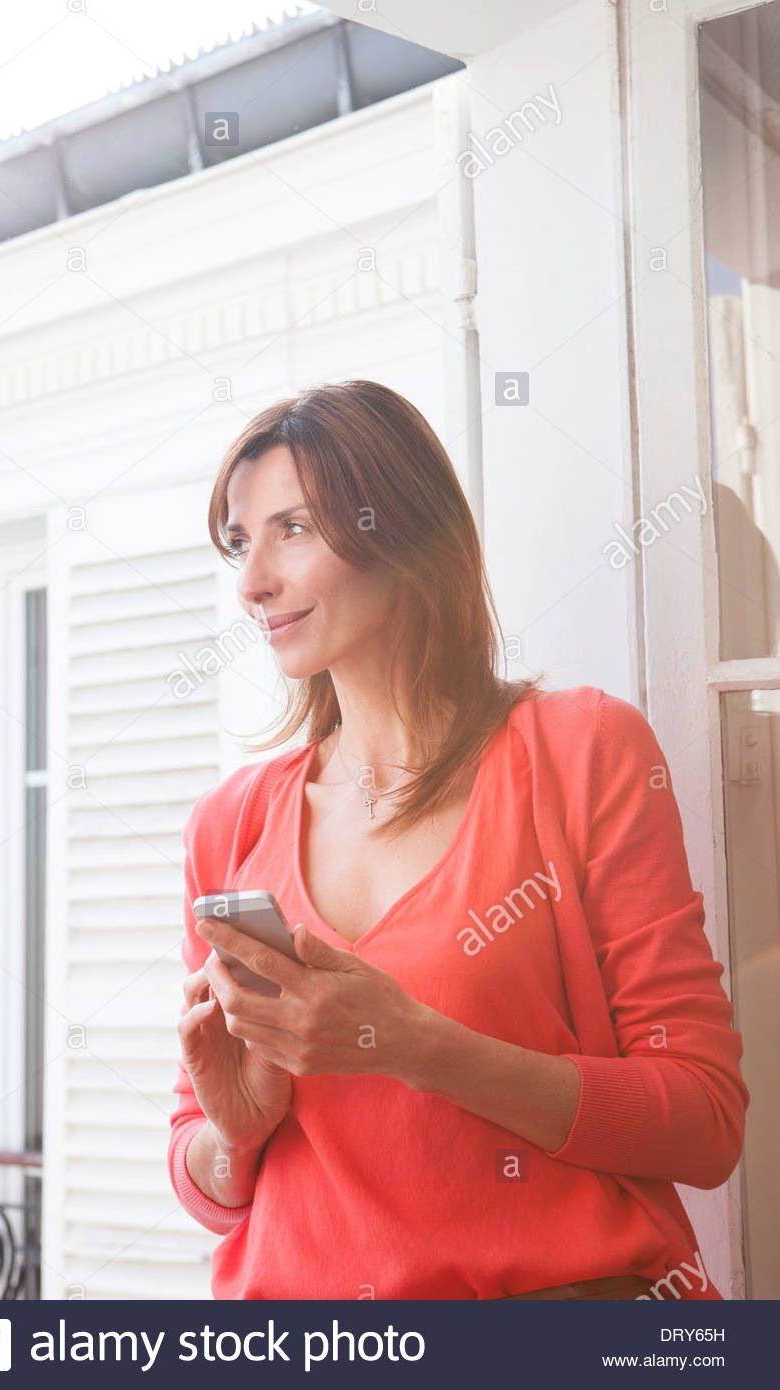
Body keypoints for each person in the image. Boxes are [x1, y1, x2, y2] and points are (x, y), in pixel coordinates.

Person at [168, 378, 748, 1301]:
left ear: (400, 530)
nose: (251, 582)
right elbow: (202, 1166)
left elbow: (704, 1122)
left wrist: (414, 1046)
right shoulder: (228, 825)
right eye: (241, 543)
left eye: (294, 530)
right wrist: (232, 1137)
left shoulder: (580, 752)